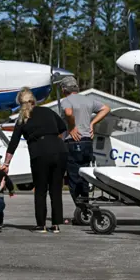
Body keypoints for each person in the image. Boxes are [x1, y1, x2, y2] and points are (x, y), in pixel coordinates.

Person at [3, 87, 68, 233]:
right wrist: (58, 143)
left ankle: (41, 225)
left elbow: (13, 142)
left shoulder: (22, 119)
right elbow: (63, 128)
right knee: (56, 190)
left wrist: (6, 164)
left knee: (40, 190)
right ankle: (56, 225)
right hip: (60, 150)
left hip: (40, 152)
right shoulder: (48, 111)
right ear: (34, 100)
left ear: (20, 103)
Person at [59, 76, 110, 217]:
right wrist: (92, 124)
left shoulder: (66, 101)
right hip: (87, 141)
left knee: (74, 178)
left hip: (73, 142)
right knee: (85, 176)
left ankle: (83, 209)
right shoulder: (88, 100)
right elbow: (106, 108)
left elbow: (69, 113)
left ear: (64, 89)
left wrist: (72, 127)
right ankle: (85, 207)